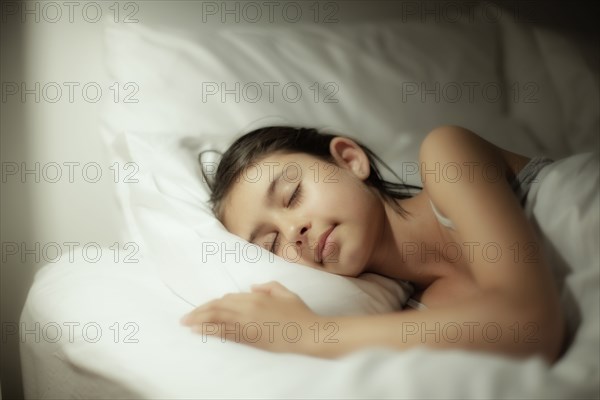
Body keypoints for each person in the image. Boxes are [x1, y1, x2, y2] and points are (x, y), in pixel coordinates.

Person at [180, 125, 566, 363]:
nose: (294, 231)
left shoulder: (447, 157)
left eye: (293, 193)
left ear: (349, 160)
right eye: (271, 243)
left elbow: (530, 326)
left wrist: (309, 333)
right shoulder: (408, 326)